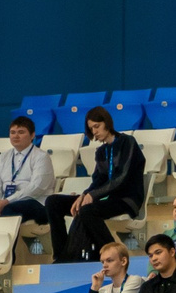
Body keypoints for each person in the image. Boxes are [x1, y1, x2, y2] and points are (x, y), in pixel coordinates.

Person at [62, 107, 146, 261]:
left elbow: (123, 177)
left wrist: (93, 195)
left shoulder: (128, 142)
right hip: (109, 200)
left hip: (127, 199)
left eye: (96, 126)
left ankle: (113, 254)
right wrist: (84, 195)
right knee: (57, 203)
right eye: (91, 128)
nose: (94, 132)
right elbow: (98, 180)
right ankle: (72, 256)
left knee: (87, 211)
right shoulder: (101, 151)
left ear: (106, 123)